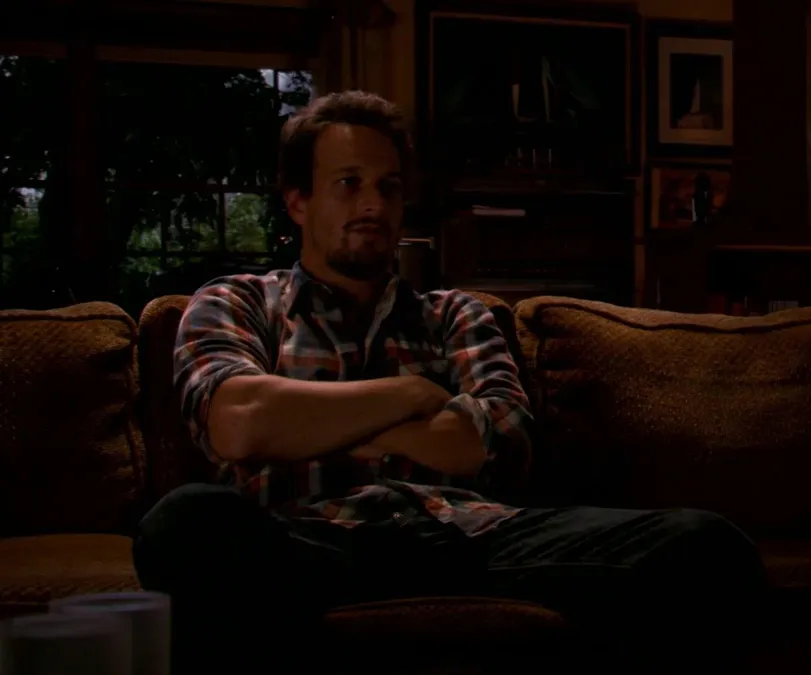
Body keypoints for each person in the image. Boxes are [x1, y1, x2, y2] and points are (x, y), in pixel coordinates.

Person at [133, 91, 767, 675]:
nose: (373, 205)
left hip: (466, 537)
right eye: (349, 184)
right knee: (183, 523)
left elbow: (502, 441)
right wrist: (411, 397)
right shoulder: (239, 302)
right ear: (298, 201)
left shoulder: (455, 314)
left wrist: (316, 425)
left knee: (704, 545)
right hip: (309, 541)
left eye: (388, 187)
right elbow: (240, 422)